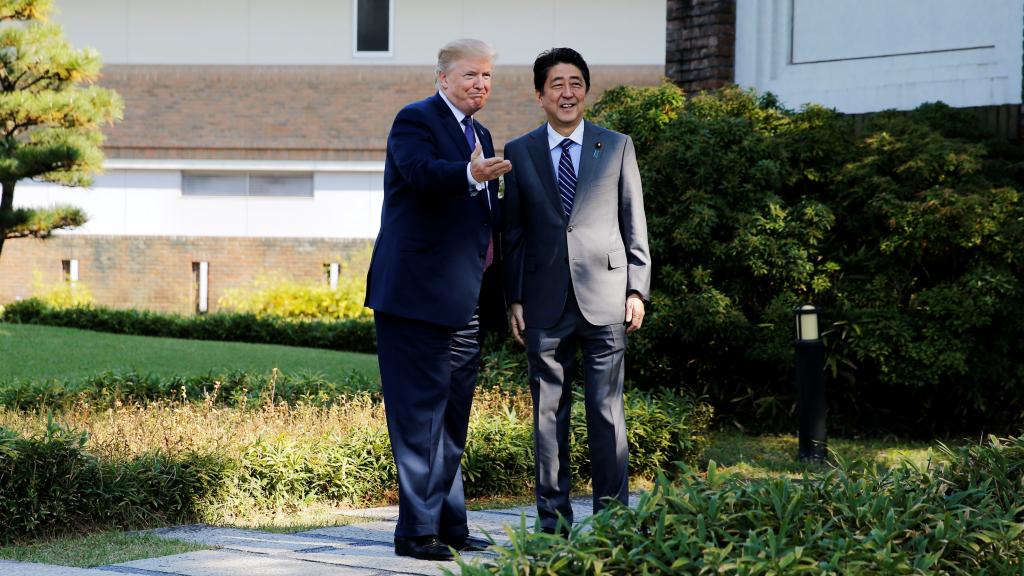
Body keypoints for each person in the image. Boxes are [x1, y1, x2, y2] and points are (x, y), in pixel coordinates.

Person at [365, 38, 511, 561]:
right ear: (443, 78)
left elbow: (485, 224)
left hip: (464, 300)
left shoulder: (482, 134)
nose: (481, 84)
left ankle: (449, 524)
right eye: (471, 75)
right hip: (414, 298)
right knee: (419, 417)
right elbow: (423, 176)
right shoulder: (415, 120)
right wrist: (471, 174)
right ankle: (414, 533)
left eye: (488, 76)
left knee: (452, 417)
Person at [501, 47, 651, 534]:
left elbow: (634, 222)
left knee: (607, 414)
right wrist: (514, 298)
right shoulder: (519, 151)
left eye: (575, 83)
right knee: (548, 417)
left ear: (586, 90)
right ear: (540, 95)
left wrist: (637, 289)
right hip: (544, 301)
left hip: (608, 298)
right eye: (556, 85)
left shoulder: (617, 145)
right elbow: (514, 234)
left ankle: (612, 524)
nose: (567, 93)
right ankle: (553, 523)